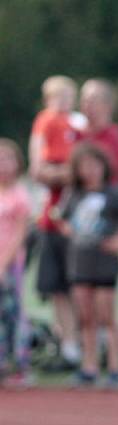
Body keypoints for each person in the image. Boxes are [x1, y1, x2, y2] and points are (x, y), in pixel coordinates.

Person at [52, 143, 118, 387]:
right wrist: (69, 230)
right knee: (85, 316)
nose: (89, 171)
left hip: (105, 263)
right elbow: (59, 216)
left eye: (94, 165)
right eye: (84, 166)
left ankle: (114, 367)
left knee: (107, 316)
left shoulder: (115, 194)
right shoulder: (74, 194)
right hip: (80, 262)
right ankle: (89, 366)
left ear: (104, 167)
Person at [29, 75, 80, 370]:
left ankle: (76, 342)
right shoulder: (47, 121)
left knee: (78, 285)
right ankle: (67, 342)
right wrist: (64, 174)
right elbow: (40, 168)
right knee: (57, 285)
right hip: (53, 216)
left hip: (73, 218)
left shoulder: (76, 124)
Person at [0, 139, 33, 387]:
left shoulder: (20, 195)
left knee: (13, 312)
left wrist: (3, 264)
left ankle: (19, 363)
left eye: (7, 159)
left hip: (10, 264)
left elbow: (20, 234)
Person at [75, 79, 118, 185]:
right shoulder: (75, 133)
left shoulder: (114, 135)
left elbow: (102, 174)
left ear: (107, 105)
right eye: (84, 100)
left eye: (92, 100)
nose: (86, 104)